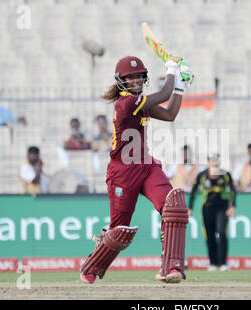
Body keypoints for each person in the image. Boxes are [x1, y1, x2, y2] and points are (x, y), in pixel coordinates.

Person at [79, 55, 193, 285]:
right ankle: (91, 267)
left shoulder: (139, 103)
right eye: (130, 78)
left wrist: (179, 85)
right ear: (121, 81)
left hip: (146, 166)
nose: (136, 82)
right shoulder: (126, 103)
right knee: (119, 231)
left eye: (139, 77)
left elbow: (170, 114)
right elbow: (162, 95)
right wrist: (171, 70)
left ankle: (171, 267)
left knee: (174, 205)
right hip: (122, 172)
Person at [188, 153, 236, 272]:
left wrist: (232, 206)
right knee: (209, 235)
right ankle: (213, 263)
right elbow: (194, 191)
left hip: (222, 208)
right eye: (212, 162)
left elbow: (233, 191)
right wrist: (190, 208)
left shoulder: (225, 175)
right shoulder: (202, 176)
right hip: (207, 208)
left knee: (222, 233)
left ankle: (223, 263)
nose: (214, 164)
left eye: (217, 162)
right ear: (208, 163)